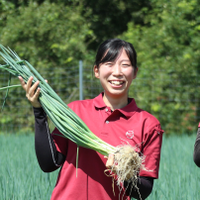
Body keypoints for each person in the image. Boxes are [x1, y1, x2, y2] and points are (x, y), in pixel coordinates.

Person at [19, 38, 164, 200]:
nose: (117, 72)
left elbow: (144, 191)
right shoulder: (75, 111)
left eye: (125, 65)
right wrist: (39, 112)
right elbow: (50, 163)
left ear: (135, 72)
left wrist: (125, 172)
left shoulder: (148, 124)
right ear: (96, 71)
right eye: (109, 64)